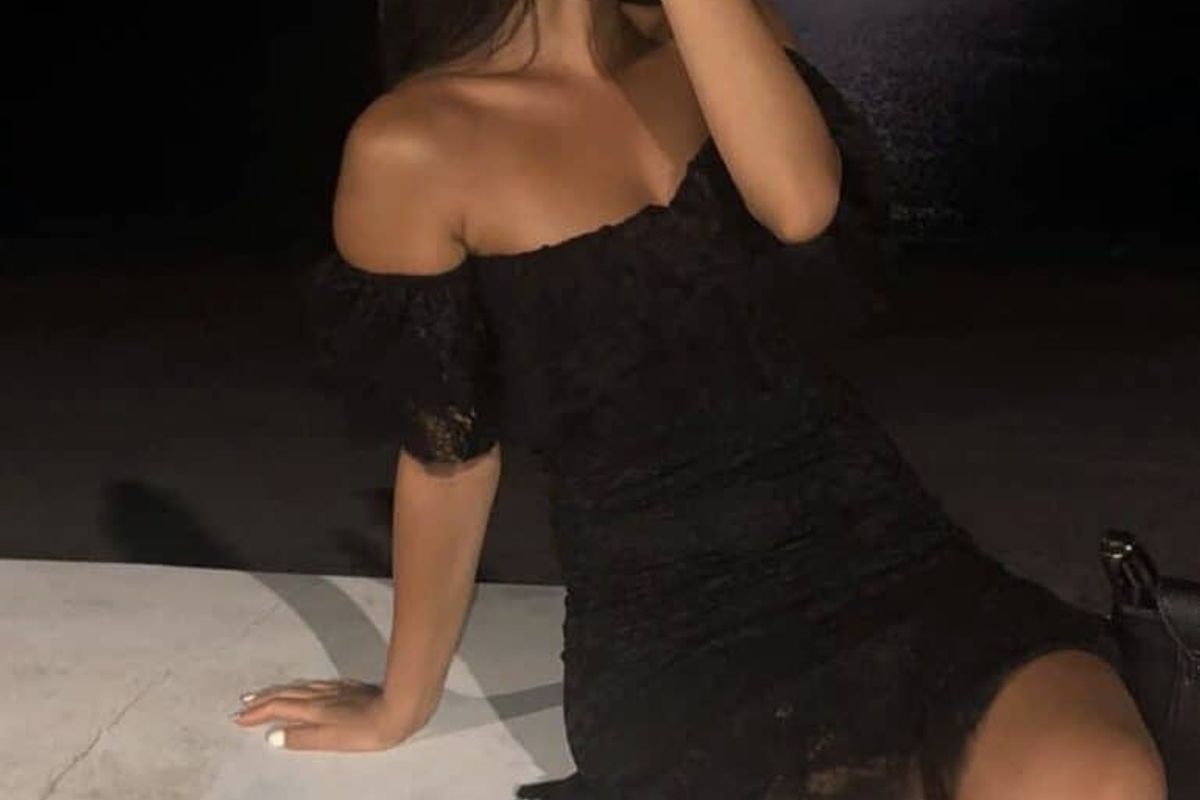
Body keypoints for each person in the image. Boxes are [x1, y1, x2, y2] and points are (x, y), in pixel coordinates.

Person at [233, 2, 1169, 797]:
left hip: (890, 556)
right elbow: (450, 454)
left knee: (1102, 780)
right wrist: (404, 701)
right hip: (673, 632)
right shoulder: (414, 144)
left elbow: (800, 205)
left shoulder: (716, 39)